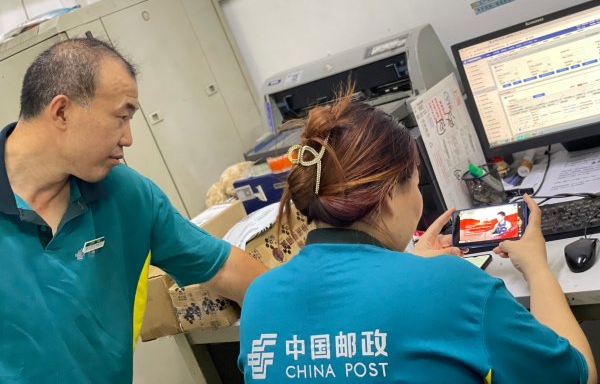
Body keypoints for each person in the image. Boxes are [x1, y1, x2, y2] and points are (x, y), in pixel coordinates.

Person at [238, 89, 596, 383]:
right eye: (415, 180)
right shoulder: (452, 286)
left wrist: (408, 268)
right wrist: (537, 268)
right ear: (389, 196)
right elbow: (577, 376)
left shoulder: (259, 297)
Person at [0, 38, 267, 383]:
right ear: (62, 111)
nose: (128, 138)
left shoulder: (127, 194)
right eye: (121, 117)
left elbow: (224, 268)